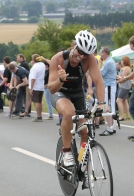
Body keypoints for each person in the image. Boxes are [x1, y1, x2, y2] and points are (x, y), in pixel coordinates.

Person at [49, 30, 105, 167]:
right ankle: (67, 151)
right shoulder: (58, 59)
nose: (82, 56)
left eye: (86, 54)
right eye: (80, 51)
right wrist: (61, 79)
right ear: (73, 45)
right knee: (69, 113)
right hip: (60, 92)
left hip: (78, 93)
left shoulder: (89, 59)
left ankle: (82, 161)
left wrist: (102, 104)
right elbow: (51, 88)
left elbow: (99, 82)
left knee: (85, 131)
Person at [99, 46, 117, 136]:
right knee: (110, 106)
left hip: (109, 85)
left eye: (101, 53)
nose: (100, 54)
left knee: (108, 107)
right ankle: (112, 126)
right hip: (111, 85)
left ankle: (110, 128)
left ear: (105, 53)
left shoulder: (108, 62)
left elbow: (101, 73)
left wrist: (98, 66)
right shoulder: (111, 60)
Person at [28, 54, 45, 122]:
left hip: (36, 86)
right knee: (39, 101)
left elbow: (33, 78)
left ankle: (38, 116)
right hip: (41, 86)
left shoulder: (34, 67)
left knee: (36, 102)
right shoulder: (42, 65)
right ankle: (40, 115)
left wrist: (31, 88)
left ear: (33, 60)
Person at [116, 56, 131, 121]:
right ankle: (127, 116)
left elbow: (123, 78)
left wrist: (116, 76)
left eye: (122, 60)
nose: (121, 62)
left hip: (124, 87)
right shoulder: (125, 68)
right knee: (124, 101)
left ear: (125, 61)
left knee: (118, 100)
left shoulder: (126, 68)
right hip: (125, 86)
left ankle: (121, 116)